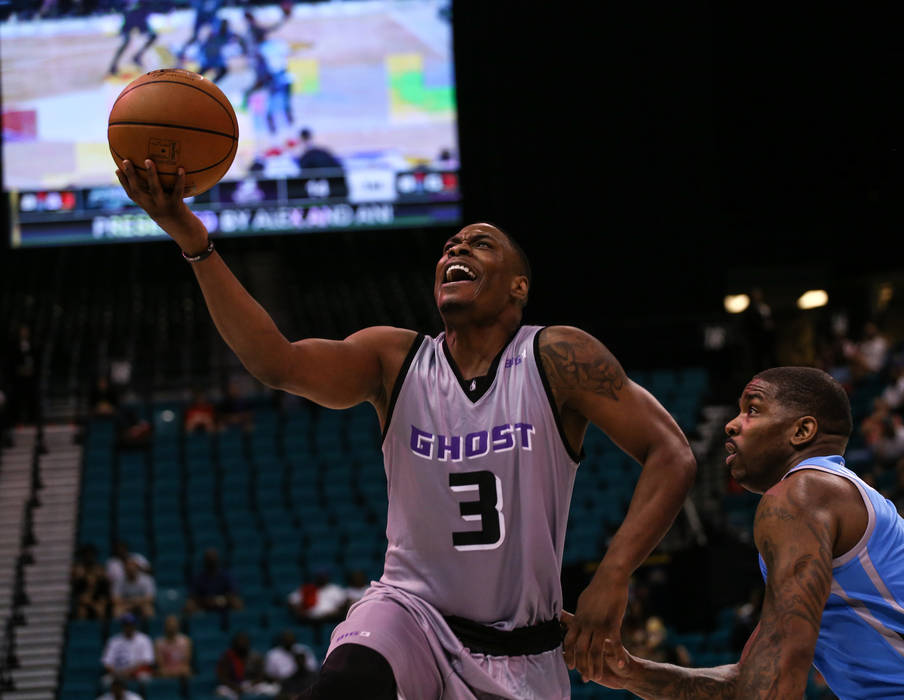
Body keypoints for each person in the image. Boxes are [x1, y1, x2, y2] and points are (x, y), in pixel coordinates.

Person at [113, 160, 696, 700]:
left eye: (479, 244)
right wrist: (194, 242)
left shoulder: (557, 356)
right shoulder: (394, 359)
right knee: (348, 680)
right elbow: (277, 364)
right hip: (410, 615)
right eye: (450, 246)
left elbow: (671, 452)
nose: (457, 249)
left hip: (524, 650)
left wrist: (612, 576)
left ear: (519, 286)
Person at [578, 366, 904, 698]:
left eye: (753, 409)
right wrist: (631, 673)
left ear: (802, 430)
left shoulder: (800, 496)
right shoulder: (817, 508)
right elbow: (752, 683)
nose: (732, 423)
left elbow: (779, 680)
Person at [185, 548, 241, 613]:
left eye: (213, 559)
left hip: (223, 602)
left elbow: (233, 592)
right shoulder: (199, 578)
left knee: (237, 602)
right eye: (209, 559)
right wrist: (206, 600)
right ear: (205, 561)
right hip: (203, 604)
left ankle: (239, 622)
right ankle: (192, 623)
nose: (211, 561)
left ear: (217, 560)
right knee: (189, 605)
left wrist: (221, 599)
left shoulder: (225, 576)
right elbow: (193, 596)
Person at [102, 613, 154, 682]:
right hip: (117, 673)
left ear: (135, 625)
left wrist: (130, 671)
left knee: (145, 678)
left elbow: (147, 661)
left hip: (137, 673)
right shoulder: (114, 641)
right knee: (105, 680)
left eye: (131, 624)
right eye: (126, 624)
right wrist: (117, 673)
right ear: (122, 625)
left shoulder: (144, 639)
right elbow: (107, 663)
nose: (128, 627)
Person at [72, 543, 110, 619]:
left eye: (91, 555)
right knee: (81, 611)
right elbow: (80, 597)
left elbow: (105, 594)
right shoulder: (79, 574)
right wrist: (93, 604)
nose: (89, 558)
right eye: (87, 555)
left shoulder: (100, 572)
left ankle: (102, 629)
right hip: (84, 603)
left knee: (101, 609)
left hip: (98, 600)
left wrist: (99, 603)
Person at [153, 614, 193, 678]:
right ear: (165, 626)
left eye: (174, 625)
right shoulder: (159, 643)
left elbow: (186, 663)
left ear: (178, 626)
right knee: (161, 672)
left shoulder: (186, 641)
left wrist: (176, 671)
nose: (171, 627)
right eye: (169, 625)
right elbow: (160, 664)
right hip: (166, 670)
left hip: (181, 670)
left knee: (186, 670)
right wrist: (171, 672)